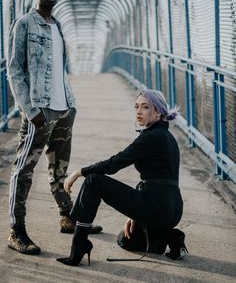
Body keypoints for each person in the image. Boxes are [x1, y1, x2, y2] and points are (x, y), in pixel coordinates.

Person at [7, 0, 102, 255]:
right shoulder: (24, 24)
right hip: (40, 112)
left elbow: (59, 70)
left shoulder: (58, 26)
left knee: (58, 168)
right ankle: (16, 231)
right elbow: (14, 70)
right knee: (23, 170)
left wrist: (71, 105)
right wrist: (30, 110)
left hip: (64, 111)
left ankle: (67, 217)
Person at [56, 89, 188, 266]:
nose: (139, 112)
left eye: (145, 107)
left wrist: (79, 172)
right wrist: (134, 213)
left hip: (156, 207)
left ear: (158, 112)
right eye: (136, 107)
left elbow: (114, 164)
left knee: (93, 180)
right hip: (172, 209)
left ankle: (79, 243)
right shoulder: (167, 136)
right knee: (127, 240)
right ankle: (172, 236)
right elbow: (158, 180)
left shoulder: (151, 137)